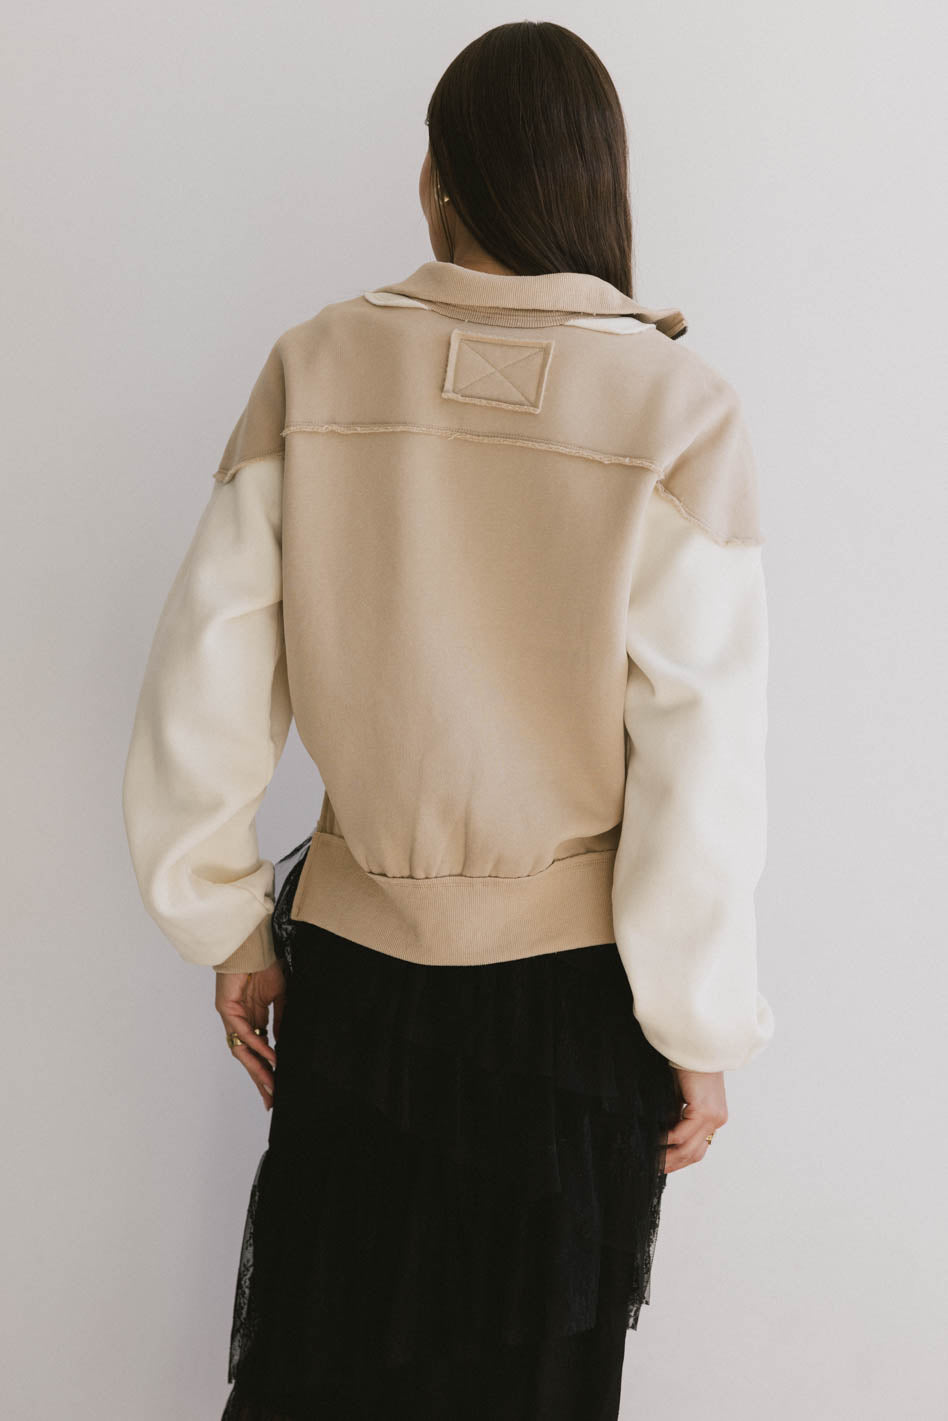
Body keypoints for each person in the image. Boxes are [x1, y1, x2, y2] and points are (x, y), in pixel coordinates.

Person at [121, 19, 774, 1421]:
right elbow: (699, 760)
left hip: (361, 978)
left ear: (438, 179)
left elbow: (204, 674)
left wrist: (228, 924)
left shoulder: (317, 367)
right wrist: (698, 1019)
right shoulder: (677, 408)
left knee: (325, 1377)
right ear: (599, 182)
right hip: (575, 1005)